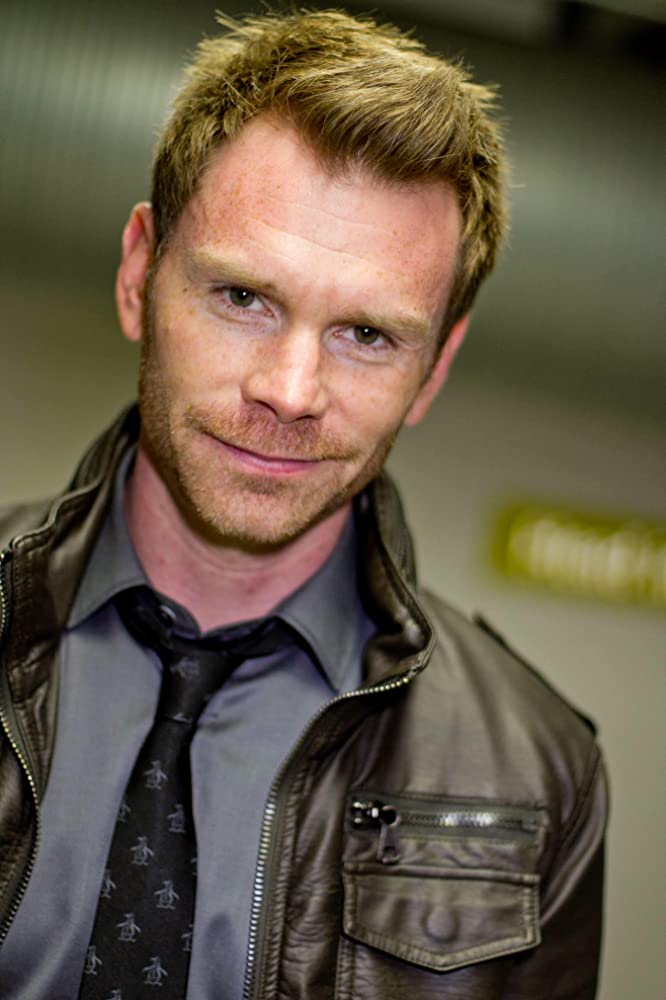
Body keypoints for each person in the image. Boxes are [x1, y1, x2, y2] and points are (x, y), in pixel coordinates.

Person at [0, 9, 606, 999]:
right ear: (140, 273)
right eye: (243, 297)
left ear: (434, 367)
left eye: (367, 335)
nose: (289, 390)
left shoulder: (538, 772)